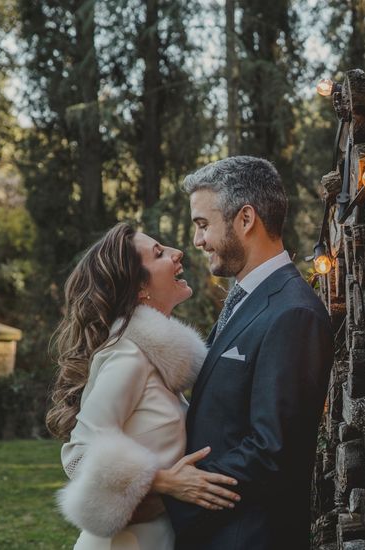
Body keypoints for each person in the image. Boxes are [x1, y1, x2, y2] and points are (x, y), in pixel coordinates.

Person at [163, 156, 333, 549]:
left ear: (245, 219)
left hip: (247, 536)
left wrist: (181, 496)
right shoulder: (247, 297)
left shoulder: (293, 311)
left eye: (203, 225)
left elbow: (272, 449)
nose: (197, 241)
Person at [48, 223, 242, 550]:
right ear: (140, 287)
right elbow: (79, 457)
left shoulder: (155, 361)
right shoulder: (128, 355)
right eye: (159, 253)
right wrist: (165, 481)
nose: (177, 253)